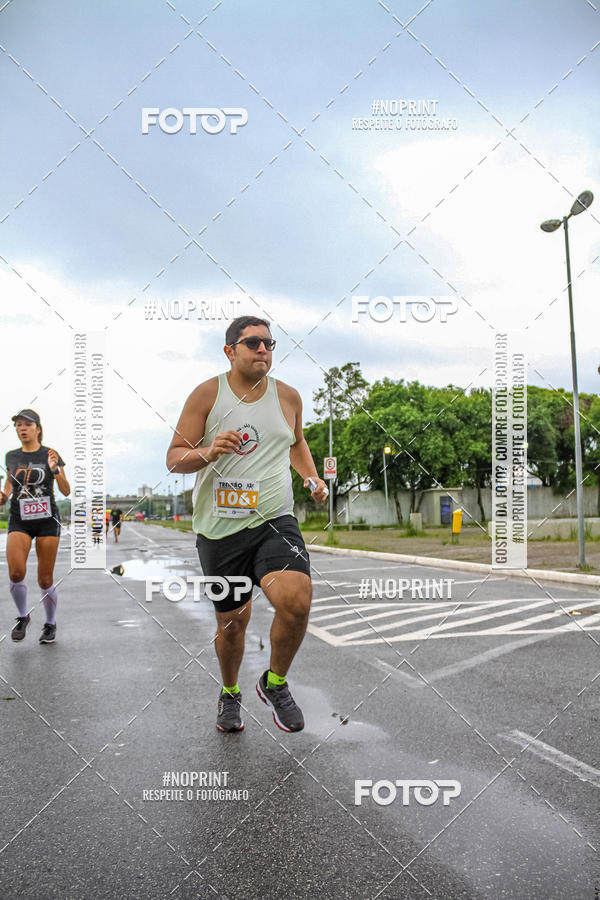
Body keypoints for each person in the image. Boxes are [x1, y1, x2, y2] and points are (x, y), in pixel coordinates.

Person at [166, 316, 328, 734]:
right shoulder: (207, 394)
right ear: (230, 351)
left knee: (296, 600)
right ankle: (231, 692)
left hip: (275, 519)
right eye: (253, 342)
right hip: (220, 529)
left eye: (269, 343)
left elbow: (296, 443)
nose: (263, 350)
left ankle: (275, 683)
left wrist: (311, 477)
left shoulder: (288, 397)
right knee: (233, 623)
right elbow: (174, 458)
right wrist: (208, 451)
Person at [0, 409, 70, 644]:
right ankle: (22, 617)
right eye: (18, 425)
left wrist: (55, 470)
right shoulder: (11, 456)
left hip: (47, 521)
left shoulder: (50, 454)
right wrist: (2, 496)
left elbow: (66, 490)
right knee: (16, 572)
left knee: (44, 579)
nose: (22, 428)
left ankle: (50, 625)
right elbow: (9, 486)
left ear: (37, 428)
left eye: (27, 424)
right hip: (19, 519)